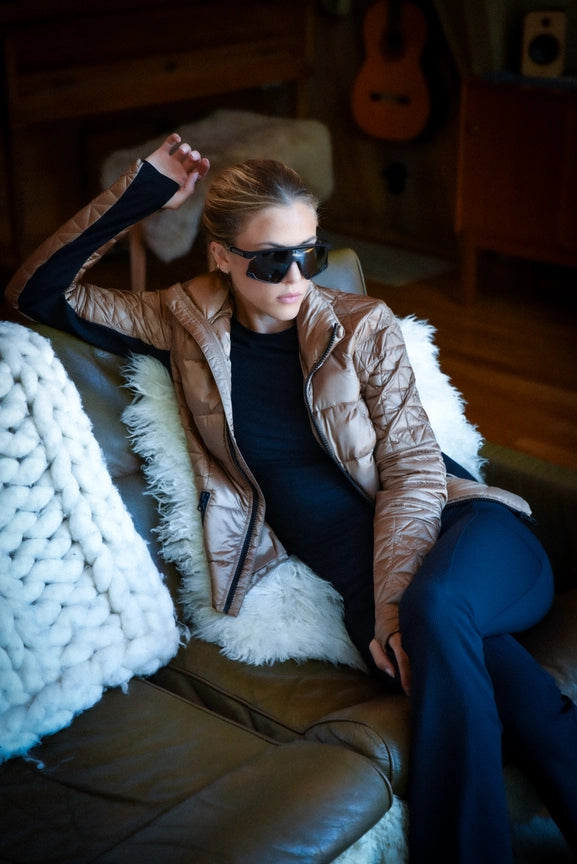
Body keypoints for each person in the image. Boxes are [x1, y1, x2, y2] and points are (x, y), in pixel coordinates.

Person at [5, 133, 577, 864]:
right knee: (518, 697)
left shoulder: (361, 325)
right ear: (221, 256)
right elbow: (38, 293)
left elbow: (412, 469)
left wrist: (395, 604)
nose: (296, 276)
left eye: (309, 252)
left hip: (468, 535)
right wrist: (142, 192)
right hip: (372, 595)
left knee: (435, 609)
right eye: (272, 260)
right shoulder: (179, 324)